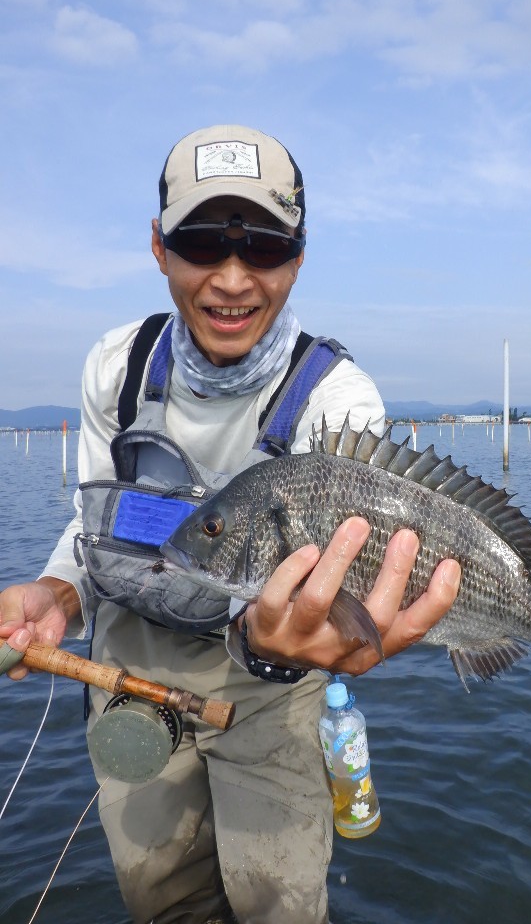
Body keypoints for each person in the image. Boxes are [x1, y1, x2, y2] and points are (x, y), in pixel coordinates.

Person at [0, 125, 460, 924]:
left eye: (267, 247)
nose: (233, 278)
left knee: (280, 903)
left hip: (269, 696)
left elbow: (341, 607)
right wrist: (57, 594)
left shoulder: (338, 402)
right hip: (126, 674)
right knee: (161, 899)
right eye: (203, 242)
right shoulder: (116, 366)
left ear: (301, 254)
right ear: (158, 247)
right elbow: (92, 518)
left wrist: (295, 650)